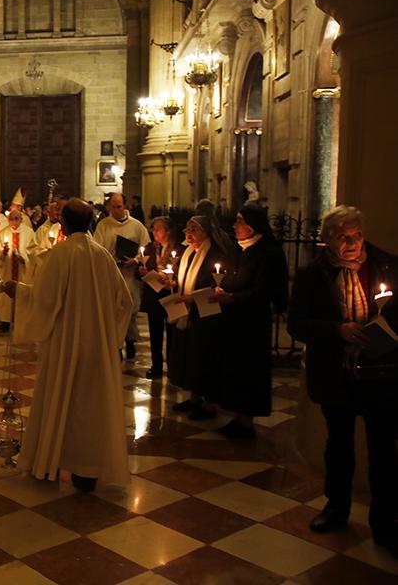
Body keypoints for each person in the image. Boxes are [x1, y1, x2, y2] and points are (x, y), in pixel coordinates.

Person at [288, 205, 398, 557]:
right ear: (327, 241)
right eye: (342, 237)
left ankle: (385, 521)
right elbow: (296, 324)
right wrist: (338, 330)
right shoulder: (312, 274)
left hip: (380, 375)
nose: (352, 244)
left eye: (357, 236)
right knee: (338, 444)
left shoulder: (387, 264)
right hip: (336, 373)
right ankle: (337, 508)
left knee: (383, 448)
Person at [1, 199, 132, 492]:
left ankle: (51, 460)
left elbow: (45, 301)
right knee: (90, 407)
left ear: (65, 224)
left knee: (61, 399)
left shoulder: (60, 255)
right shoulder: (102, 256)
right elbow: (125, 302)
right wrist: (111, 336)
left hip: (63, 345)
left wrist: (18, 292)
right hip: (97, 346)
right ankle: (88, 470)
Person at [212, 204, 288, 438]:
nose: (234, 226)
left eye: (239, 221)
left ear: (252, 225)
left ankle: (247, 422)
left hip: (253, 323)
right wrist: (221, 286)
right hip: (234, 321)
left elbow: (265, 291)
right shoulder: (238, 249)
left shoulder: (269, 252)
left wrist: (232, 297)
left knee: (250, 372)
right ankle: (237, 416)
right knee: (235, 370)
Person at [167, 216, 230, 420]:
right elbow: (184, 280)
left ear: (207, 232)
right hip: (188, 313)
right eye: (187, 229)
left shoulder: (214, 254)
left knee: (206, 356)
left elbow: (217, 286)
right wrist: (172, 280)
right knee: (190, 355)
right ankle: (194, 397)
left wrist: (190, 297)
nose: (188, 234)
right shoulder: (188, 253)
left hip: (207, 314)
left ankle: (210, 403)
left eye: (194, 230)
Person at [93, 192, 150, 360]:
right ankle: (115, 346)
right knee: (112, 311)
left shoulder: (137, 226)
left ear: (124, 206)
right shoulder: (103, 225)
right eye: (113, 207)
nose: (116, 210)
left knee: (129, 309)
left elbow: (146, 249)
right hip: (111, 274)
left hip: (129, 275)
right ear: (108, 207)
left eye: (119, 206)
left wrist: (136, 260)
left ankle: (130, 342)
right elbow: (97, 248)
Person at [138, 216, 181, 379]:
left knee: (172, 332)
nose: (154, 232)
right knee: (155, 333)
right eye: (153, 229)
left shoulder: (178, 249)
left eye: (158, 228)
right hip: (153, 296)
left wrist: (169, 274)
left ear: (168, 231)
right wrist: (140, 271)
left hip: (169, 294)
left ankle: (172, 366)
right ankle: (156, 366)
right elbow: (140, 268)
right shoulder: (149, 248)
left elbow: (179, 269)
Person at [0, 210, 35, 331]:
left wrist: (24, 258)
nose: (14, 221)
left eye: (17, 218)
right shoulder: (3, 233)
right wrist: (3, 252)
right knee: (7, 292)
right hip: (7, 269)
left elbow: (33, 252)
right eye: (11, 219)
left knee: (22, 291)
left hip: (22, 270)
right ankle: (6, 321)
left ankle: (21, 320)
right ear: (8, 220)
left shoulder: (29, 232)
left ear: (21, 219)